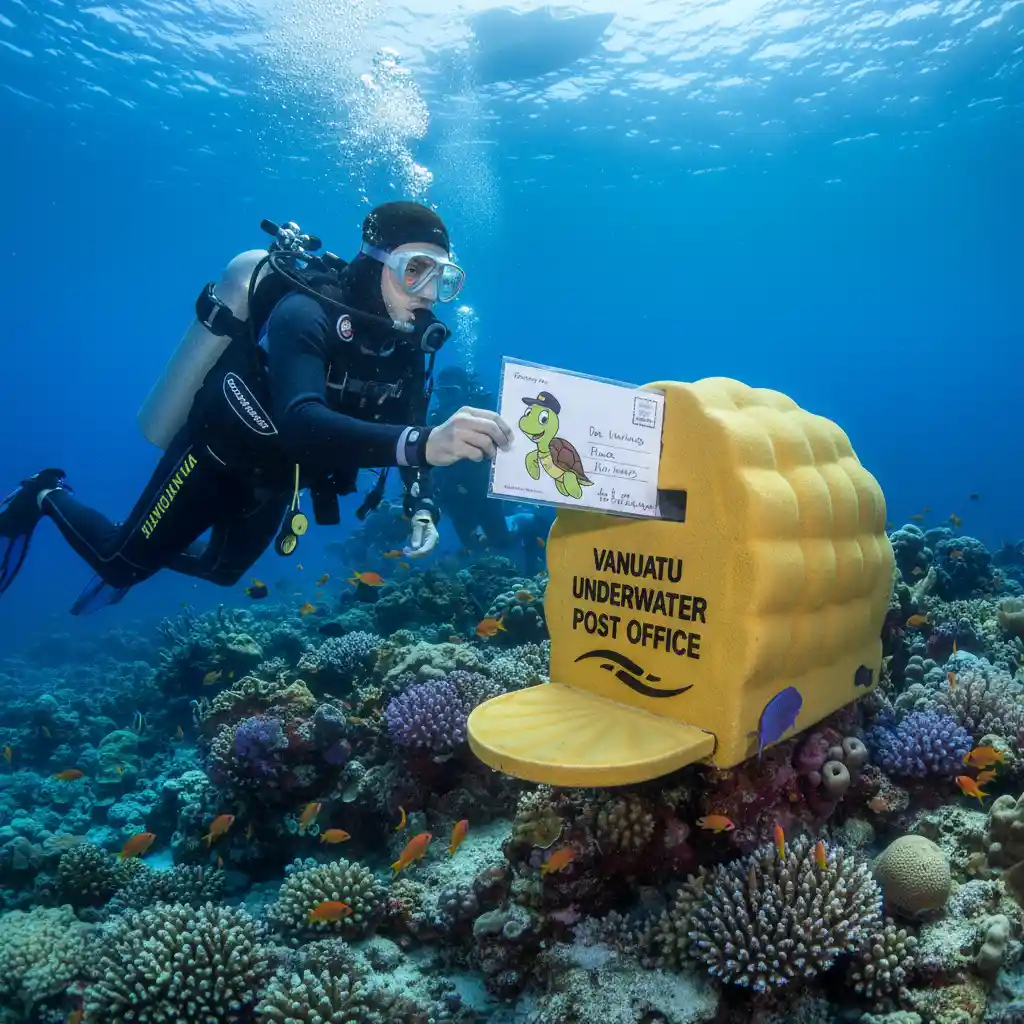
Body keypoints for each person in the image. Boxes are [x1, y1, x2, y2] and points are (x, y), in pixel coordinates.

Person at [0, 202, 513, 612]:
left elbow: (413, 425)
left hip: (280, 477)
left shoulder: (407, 343)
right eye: (414, 271)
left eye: (444, 279)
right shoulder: (304, 311)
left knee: (222, 572)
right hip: (217, 457)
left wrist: (421, 503)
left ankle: (144, 545)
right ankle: (43, 493)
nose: (428, 293)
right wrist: (425, 445)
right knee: (118, 563)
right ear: (375, 260)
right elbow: (302, 420)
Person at [428, 365, 515, 553]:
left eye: (451, 392)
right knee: (471, 546)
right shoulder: (435, 419)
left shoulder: (484, 409)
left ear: (465, 390)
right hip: (453, 495)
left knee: (501, 542)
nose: (445, 398)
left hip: (484, 489)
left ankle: (521, 522)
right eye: (440, 393)